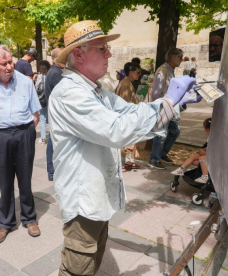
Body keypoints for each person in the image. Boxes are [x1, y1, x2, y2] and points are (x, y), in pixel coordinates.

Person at [48, 20, 196, 276]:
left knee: (91, 263)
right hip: (83, 202)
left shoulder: (97, 91)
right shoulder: (70, 93)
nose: (110, 53)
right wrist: (169, 101)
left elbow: (132, 112)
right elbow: (117, 130)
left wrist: (172, 104)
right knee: (77, 269)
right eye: (102, 48)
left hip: (97, 198)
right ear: (79, 54)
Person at [0, 45, 42, 243]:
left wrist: (24, 131)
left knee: (25, 179)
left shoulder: (25, 82)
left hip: (24, 133)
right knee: (4, 183)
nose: (8, 67)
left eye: (10, 62)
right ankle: (5, 223)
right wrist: (0, 136)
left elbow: (36, 114)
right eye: (3, 63)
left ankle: (29, 219)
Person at [148, 48, 184, 170]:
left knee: (175, 131)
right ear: (173, 57)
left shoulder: (170, 70)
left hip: (169, 107)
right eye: (180, 57)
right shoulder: (163, 71)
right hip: (163, 107)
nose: (182, 59)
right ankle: (154, 159)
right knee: (161, 134)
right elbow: (157, 93)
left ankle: (162, 153)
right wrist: (162, 106)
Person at [116, 62, 142, 172]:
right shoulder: (126, 84)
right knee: (124, 141)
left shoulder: (128, 83)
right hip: (126, 116)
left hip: (128, 116)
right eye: (138, 72)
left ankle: (128, 161)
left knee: (128, 140)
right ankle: (121, 163)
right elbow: (125, 104)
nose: (139, 75)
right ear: (131, 73)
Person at [44, 48, 65, 182]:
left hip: (55, 113)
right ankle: (51, 170)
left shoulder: (54, 71)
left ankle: (52, 170)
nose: (64, 60)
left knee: (53, 141)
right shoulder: (56, 73)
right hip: (57, 114)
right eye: (60, 57)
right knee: (53, 142)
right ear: (53, 59)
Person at [171, 118, 211, 184]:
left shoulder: (215, 139)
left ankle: (205, 177)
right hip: (208, 154)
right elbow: (209, 147)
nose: (203, 130)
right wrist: (203, 150)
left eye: (204, 128)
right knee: (195, 156)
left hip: (213, 157)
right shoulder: (210, 137)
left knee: (201, 158)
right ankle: (181, 169)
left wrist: (204, 153)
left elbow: (215, 152)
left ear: (208, 129)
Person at [36, 60, 51, 144]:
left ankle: (43, 138)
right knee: (52, 118)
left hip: (41, 100)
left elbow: (37, 88)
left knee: (42, 119)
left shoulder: (39, 77)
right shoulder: (50, 75)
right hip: (50, 99)